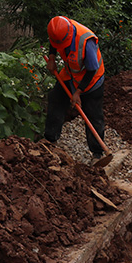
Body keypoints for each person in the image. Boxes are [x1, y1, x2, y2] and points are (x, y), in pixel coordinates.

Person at [45, 16, 107, 160]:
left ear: (69, 35)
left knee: (93, 115)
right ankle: (50, 140)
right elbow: (54, 42)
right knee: (56, 98)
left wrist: (78, 92)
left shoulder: (86, 41)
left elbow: (92, 69)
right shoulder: (59, 30)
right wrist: (52, 58)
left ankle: (97, 153)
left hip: (92, 80)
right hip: (70, 74)